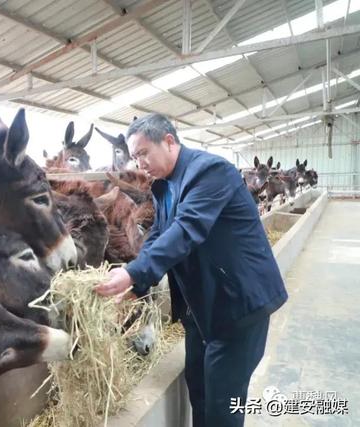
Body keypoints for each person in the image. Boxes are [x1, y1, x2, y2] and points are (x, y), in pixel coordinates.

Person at [94, 114, 287, 427]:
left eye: (143, 153)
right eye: (134, 157)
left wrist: (136, 273)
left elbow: (187, 229)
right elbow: (159, 232)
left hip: (237, 305)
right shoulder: (165, 186)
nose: (139, 163)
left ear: (169, 141)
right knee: (199, 390)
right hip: (202, 308)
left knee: (223, 407)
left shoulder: (210, 171)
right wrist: (136, 279)